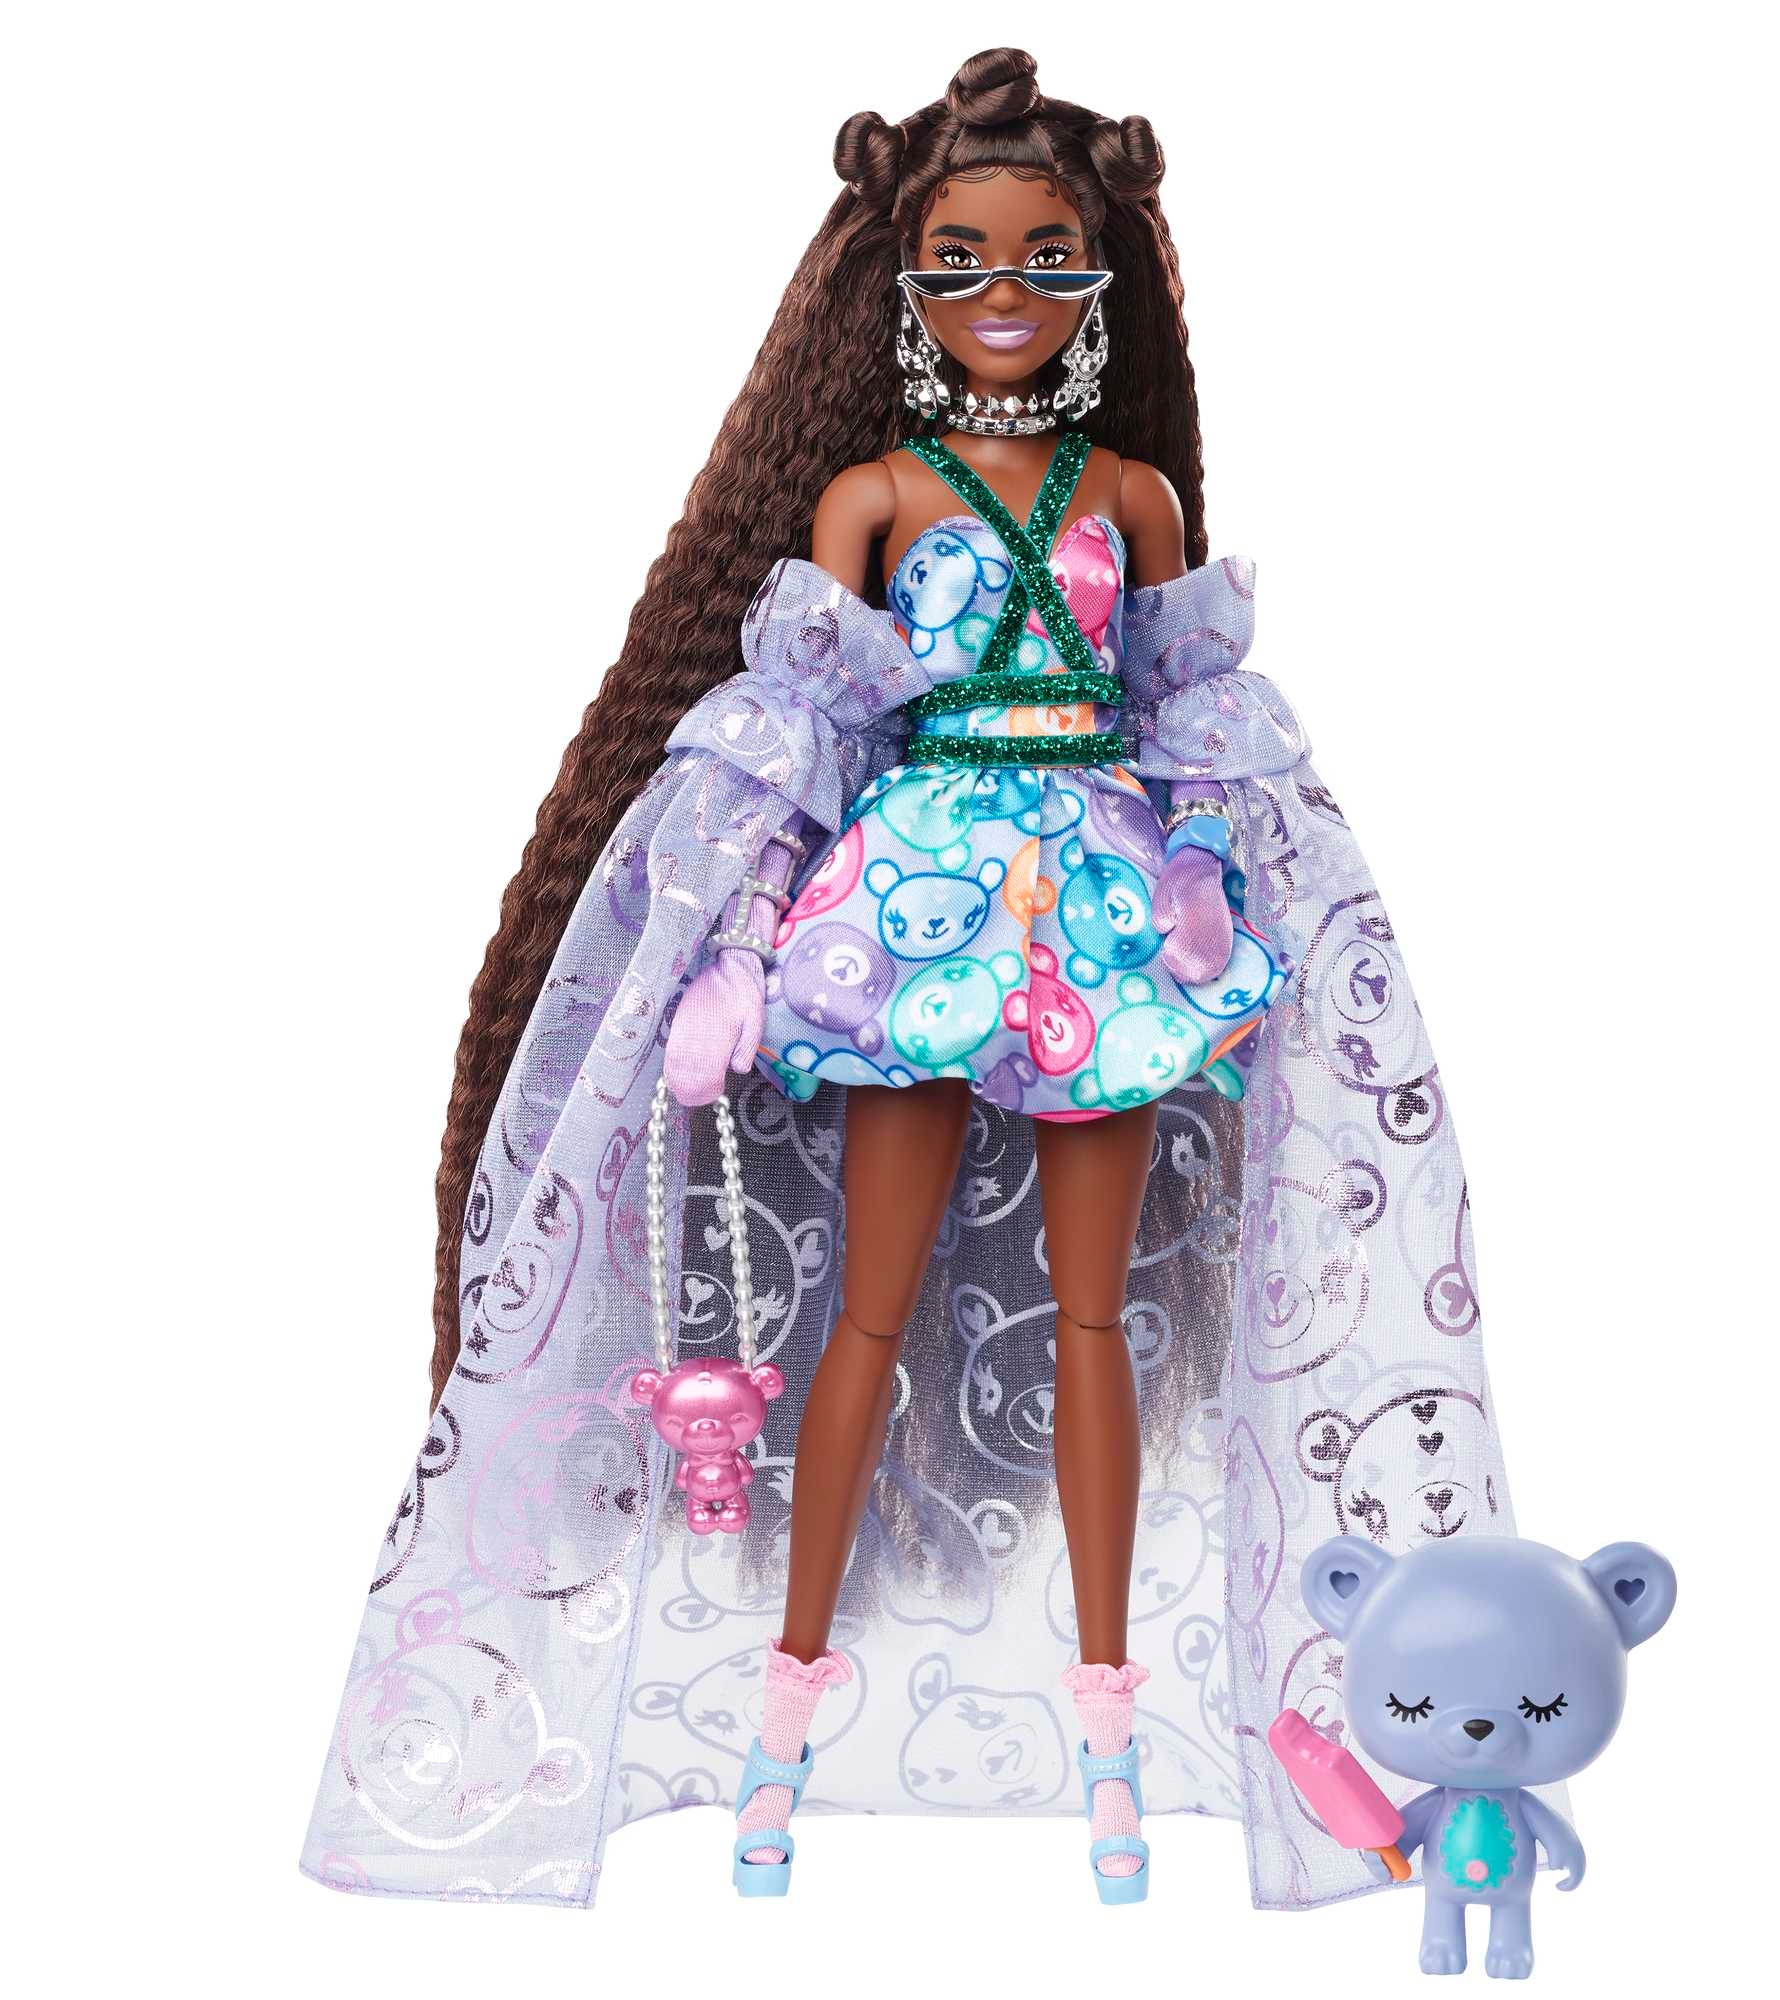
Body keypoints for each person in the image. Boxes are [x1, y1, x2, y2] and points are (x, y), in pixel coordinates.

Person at [300, 46, 1531, 1913]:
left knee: (1096, 1321)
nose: (1003, 295)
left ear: (1098, 281)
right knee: (859, 1323)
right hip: (917, 908)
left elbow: (1188, 717)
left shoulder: (1133, 495)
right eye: (960, 262)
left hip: (1102, 916)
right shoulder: (874, 494)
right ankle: (780, 1722)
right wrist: (730, 945)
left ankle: (1112, 1735)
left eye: (1044, 259)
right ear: (904, 282)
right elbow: (801, 733)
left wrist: (1213, 873)